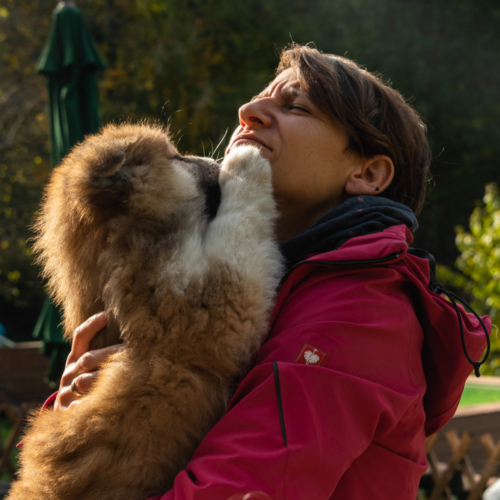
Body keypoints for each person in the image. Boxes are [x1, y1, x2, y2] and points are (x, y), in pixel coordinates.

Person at [46, 44, 490, 499]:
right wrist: (75, 413)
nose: (247, 111)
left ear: (368, 172)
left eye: (294, 106)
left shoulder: (362, 312)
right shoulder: (247, 285)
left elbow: (238, 488)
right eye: (257, 98)